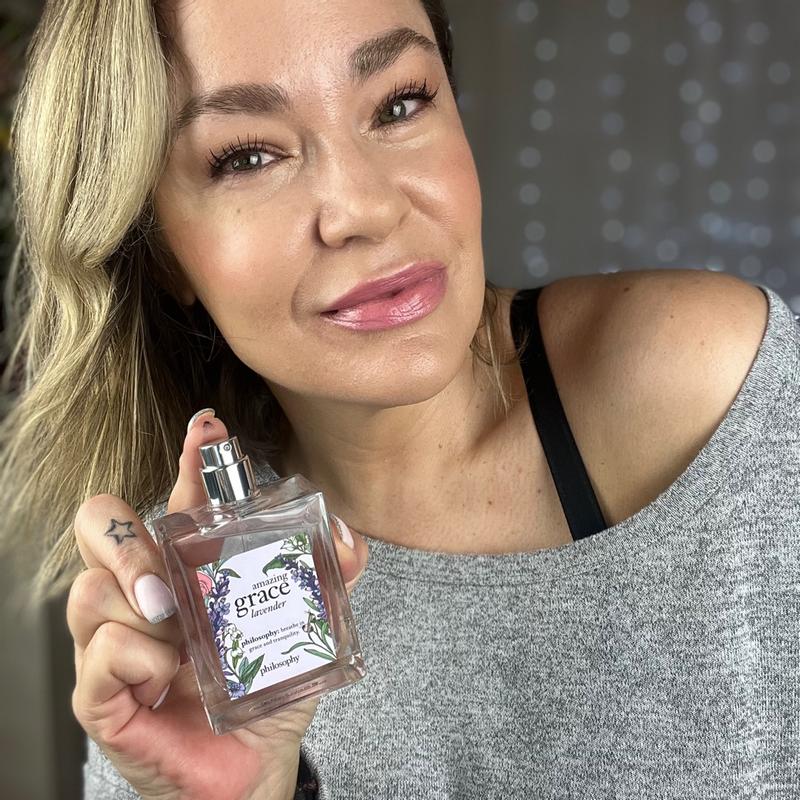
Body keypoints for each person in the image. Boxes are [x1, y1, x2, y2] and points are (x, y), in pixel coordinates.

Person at [1, 0, 798, 798]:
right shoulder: (191, 619)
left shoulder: (700, 384)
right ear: (159, 249)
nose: (368, 208)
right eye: (248, 156)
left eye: (398, 104)